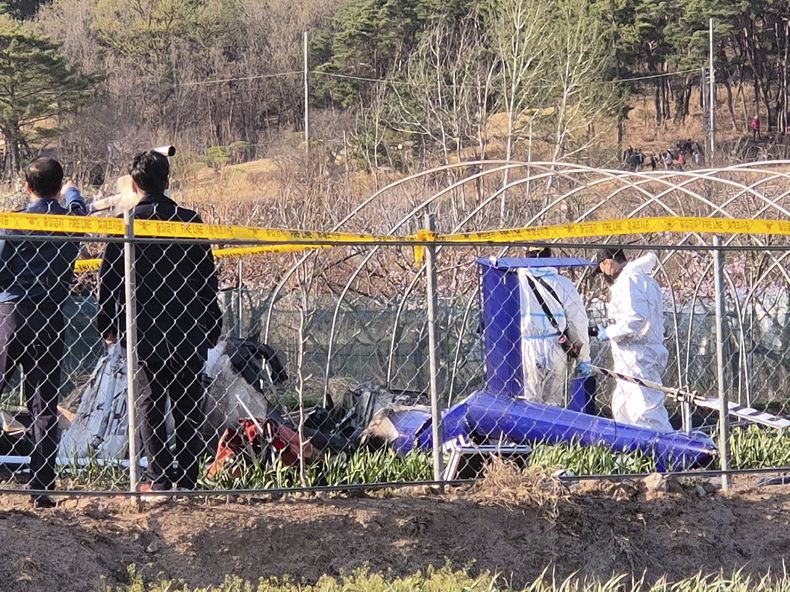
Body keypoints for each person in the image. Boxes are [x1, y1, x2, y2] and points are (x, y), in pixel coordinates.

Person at [97, 151, 222, 494]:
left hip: (143, 330)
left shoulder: (126, 223)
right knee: (187, 405)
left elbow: (110, 282)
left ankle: (159, 476)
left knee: (150, 404)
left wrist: (107, 323)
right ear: (168, 182)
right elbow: (206, 279)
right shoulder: (189, 221)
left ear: (134, 184)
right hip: (188, 327)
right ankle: (188, 479)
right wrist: (212, 323)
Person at [0, 158, 87, 508]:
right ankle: (41, 488)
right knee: (44, 402)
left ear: (26, 186)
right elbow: (79, 209)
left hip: (13, 313)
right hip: (51, 316)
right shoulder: (69, 221)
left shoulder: (15, 221)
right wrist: (73, 192)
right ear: (58, 185)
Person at [594, 248, 672, 432]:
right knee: (623, 409)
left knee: (644, 410)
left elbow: (634, 319)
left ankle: (661, 451)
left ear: (607, 262)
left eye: (602, 269)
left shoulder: (629, 281)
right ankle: (631, 454)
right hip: (633, 355)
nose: (604, 275)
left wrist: (610, 332)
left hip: (637, 356)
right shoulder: (644, 280)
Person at [517, 247, 591, 407]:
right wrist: (584, 357)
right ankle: (550, 432)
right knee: (552, 405)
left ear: (525, 256)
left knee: (527, 402)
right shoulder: (562, 283)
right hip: (556, 345)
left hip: (526, 346)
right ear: (550, 257)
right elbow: (577, 321)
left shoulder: (516, 282)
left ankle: (527, 431)